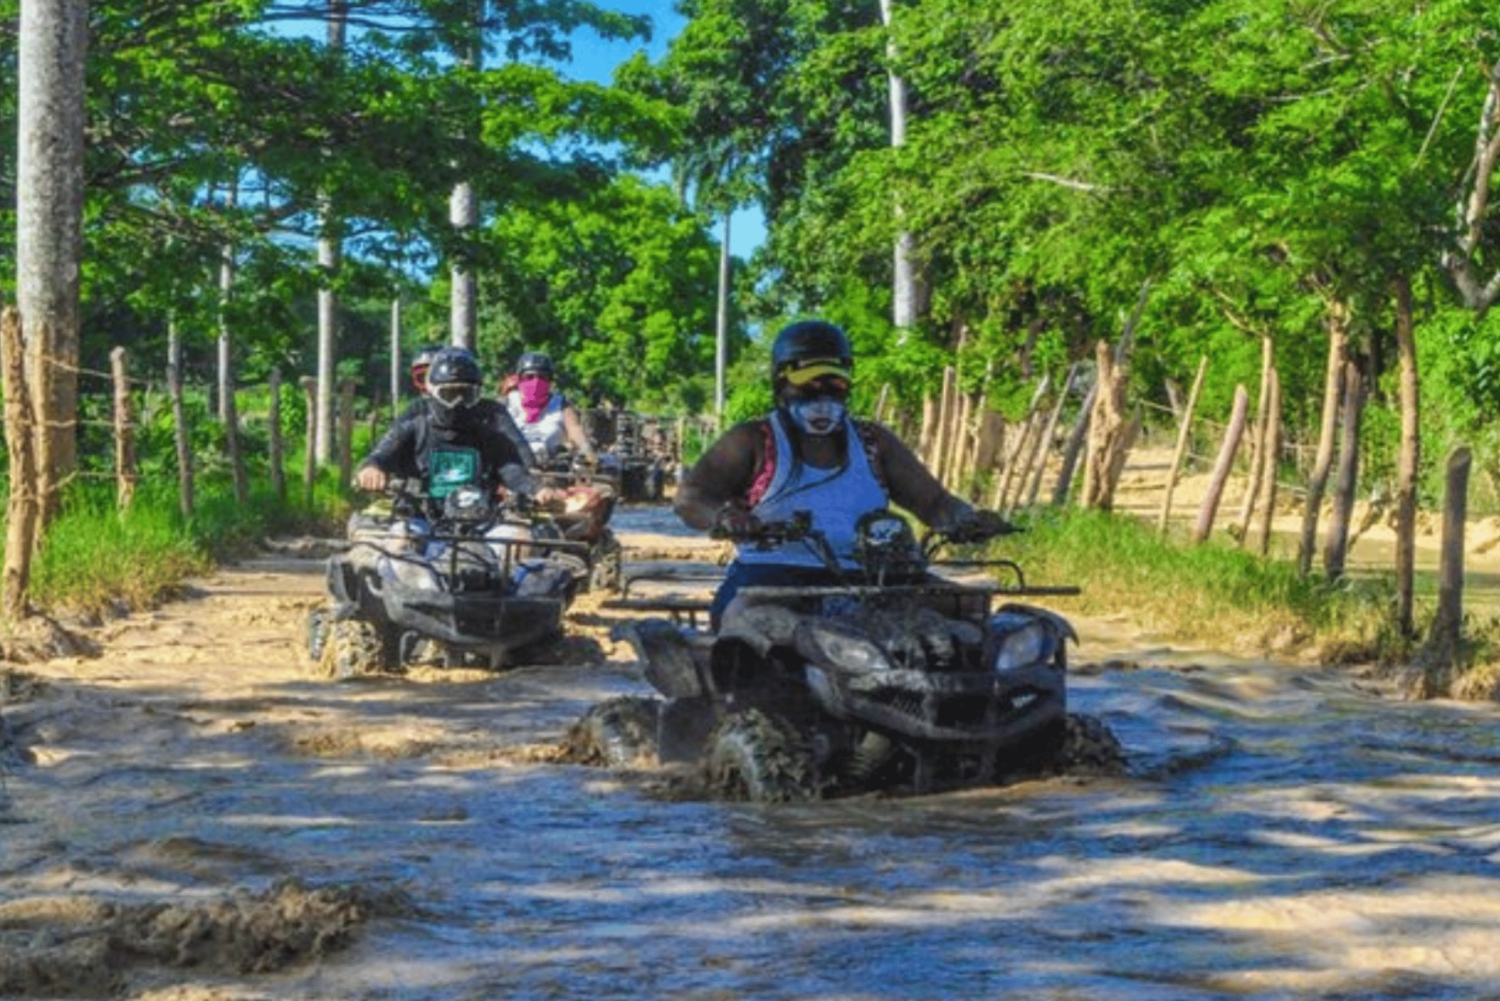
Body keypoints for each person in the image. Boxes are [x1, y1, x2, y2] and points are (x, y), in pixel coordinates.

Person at [673, 318, 1009, 628]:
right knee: (747, 616)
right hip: (776, 575)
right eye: (808, 387)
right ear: (780, 385)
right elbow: (691, 497)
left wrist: (965, 518)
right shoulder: (752, 440)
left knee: (970, 607)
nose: (822, 397)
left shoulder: (874, 442)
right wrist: (725, 517)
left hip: (874, 577)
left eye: (834, 386)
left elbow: (935, 503)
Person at [356, 347, 554, 505]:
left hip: (481, 521)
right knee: (397, 545)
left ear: (478, 395)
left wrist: (535, 489)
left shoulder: (490, 435)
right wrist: (371, 469)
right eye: (450, 395)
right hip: (419, 518)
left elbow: (513, 471)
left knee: (520, 543)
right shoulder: (413, 428)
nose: (458, 403)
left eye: (466, 395)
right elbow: (380, 455)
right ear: (432, 392)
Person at [504, 351, 597, 465]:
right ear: (519, 379)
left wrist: (587, 451)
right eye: (529, 377)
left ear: (550, 381)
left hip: (552, 470)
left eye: (543, 377)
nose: (536, 382)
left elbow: (575, 430)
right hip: (512, 469)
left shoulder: (560, 404)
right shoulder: (507, 404)